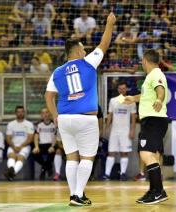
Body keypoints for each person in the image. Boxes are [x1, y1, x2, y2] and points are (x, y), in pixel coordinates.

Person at [45, 12, 116, 206]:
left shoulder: (57, 72)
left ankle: (75, 194)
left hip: (65, 119)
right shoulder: (87, 62)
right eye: (83, 49)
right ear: (76, 52)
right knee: (87, 157)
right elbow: (104, 45)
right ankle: (77, 195)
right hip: (86, 119)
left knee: (71, 158)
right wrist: (109, 24)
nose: (85, 52)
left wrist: (55, 116)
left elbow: (49, 96)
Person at [124, 49, 169, 204]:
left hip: (153, 120)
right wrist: (133, 98)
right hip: (153, 120)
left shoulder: (156, 74)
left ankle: (158, 191)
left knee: (145, 154)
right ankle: (154, 190)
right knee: (152, 156)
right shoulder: (151, 76)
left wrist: (159, 99)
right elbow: (146, 96)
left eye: (141, 61)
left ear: (145, 60)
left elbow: (160, 91)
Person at [103, 81, 137, 181]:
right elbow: (110, 115)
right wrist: (106, 127)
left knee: (124, 153)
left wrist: (132, 130)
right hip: (114, 131)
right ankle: (107, 174)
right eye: (120, 88)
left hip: (125, 131)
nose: (122, 90)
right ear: (118, 89)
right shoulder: (113, 101)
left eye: (123, 88)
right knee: (111, 152)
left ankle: (123, 174)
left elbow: (133, 117)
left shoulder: (131, 101)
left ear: (126, 89)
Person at [5, 106, 34, 181]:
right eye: (18, 112)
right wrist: (14, 147)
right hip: (13, 145)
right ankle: (12, 173)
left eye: (22, 111)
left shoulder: (29, 124)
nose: (20, 113)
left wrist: (21, 146)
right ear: (15, 113)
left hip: (25, 146)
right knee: (12, 156)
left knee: (20, 158)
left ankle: (11, 173)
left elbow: (30, 138)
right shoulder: (11, 124)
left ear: (24, 113)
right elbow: (8, 138)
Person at [32, 108, 56, 180]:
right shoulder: (39, 125)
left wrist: (52, 146)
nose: (45, 114)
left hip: (51, 144)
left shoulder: (54, 124)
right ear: (41, 115)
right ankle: (48, 167)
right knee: (34, 153)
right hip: (41, 145)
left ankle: (43, 170)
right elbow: (36, 137)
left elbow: (56, 136)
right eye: (43, 113)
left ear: (49, 114)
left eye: (46, 112)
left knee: (52, 152)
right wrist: (36, 147)